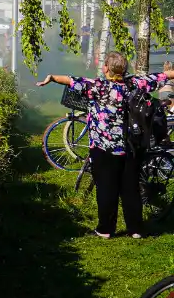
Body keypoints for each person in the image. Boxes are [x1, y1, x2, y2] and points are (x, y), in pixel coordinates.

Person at [37, 52, 167, 238]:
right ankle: (136, 229)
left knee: (106, 189)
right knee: (131, 189)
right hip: (131, 147)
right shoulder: (136, 84)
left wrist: (51, 78)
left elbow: (72, 81)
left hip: (103, 148)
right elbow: (162, 76)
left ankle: (105, 229)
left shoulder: (97, 86)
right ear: (123, 69)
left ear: (106, 68)